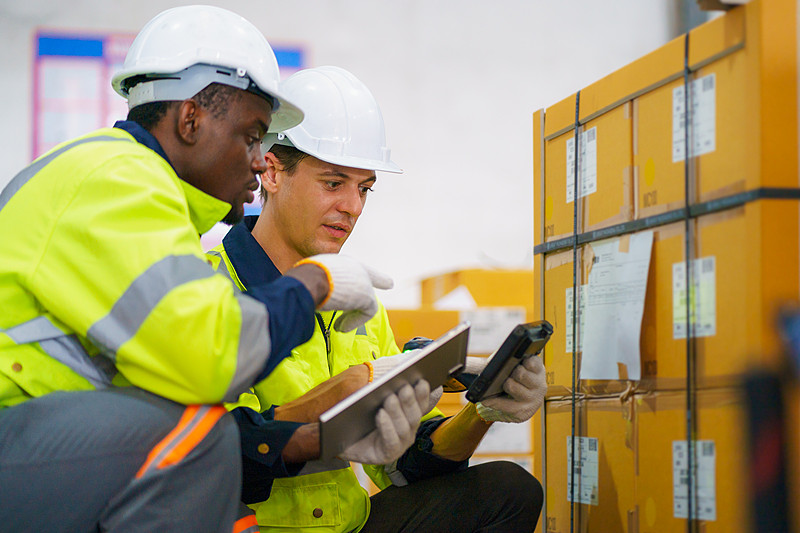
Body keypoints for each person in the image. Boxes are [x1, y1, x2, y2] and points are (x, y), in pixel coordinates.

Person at [0, 7, 431, 533]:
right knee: (204, 434)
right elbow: (208, 358)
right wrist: (316, 282)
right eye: (252, 137)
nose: (259, 160)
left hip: (38, 436)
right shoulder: (118, 181)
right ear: (191, 120)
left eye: (364, 189)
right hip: (16, 435)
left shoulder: (136, 192)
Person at [209, 66, 547, 533]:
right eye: (333, 183)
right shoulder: (210, 291)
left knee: (510, 489)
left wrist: (482, 409)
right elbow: (219, 454)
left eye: (364, 188)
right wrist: (344, 395)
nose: (352, 207)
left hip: (351, 525)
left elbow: (407, 467)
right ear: (271, 172)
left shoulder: (360, 305)